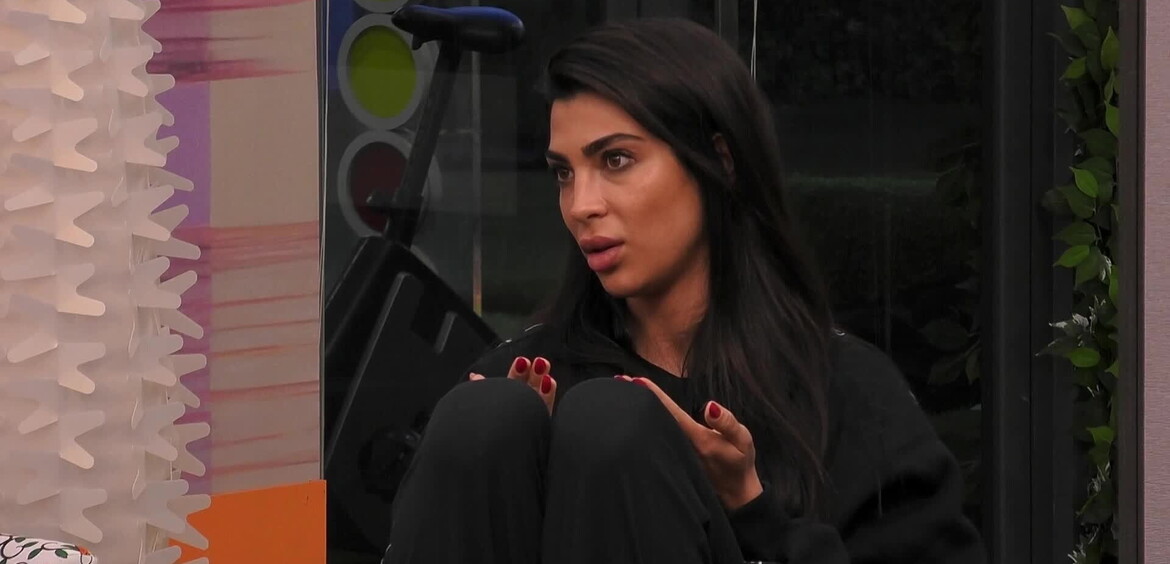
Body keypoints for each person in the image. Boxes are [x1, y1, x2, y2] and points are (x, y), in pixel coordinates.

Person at [385, 17, 986, 564]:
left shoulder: (843, 390)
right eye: (564, 172)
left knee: (612, 427)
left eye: (616, 160)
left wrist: (754, 513)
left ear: (720, 162)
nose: (581, 205)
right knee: (481, 420)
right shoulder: (526, 376)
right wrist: (502, 472)